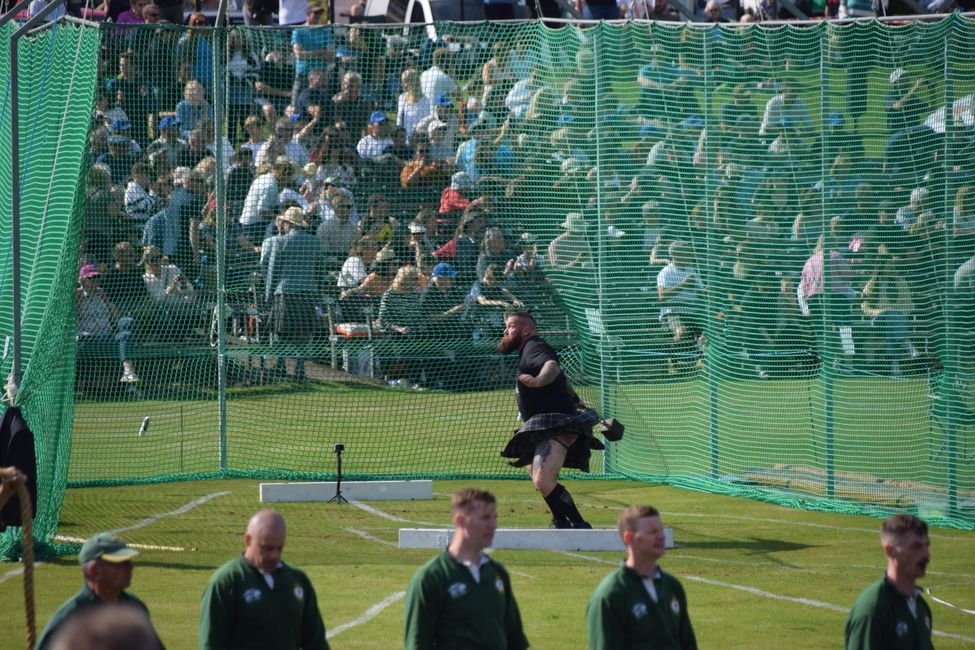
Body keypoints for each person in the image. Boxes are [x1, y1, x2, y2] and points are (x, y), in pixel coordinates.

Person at [499, 311, 617, 528]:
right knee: (535, 474)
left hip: (554, 424)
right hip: (544, 425)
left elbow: (552, 367)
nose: (505, 331)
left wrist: (538, 381)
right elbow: (561, 378)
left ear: (526, 330)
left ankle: (580, 525)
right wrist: (576, 399)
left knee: (542, 479)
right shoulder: (527, 351)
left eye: (510, 326)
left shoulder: (535, 346)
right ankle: (560, 520)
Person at [404, 488, 529, 650]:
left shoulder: (497, 573)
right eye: (485, 518)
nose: (493, 525)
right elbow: (418, 644)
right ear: (460, 520)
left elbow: (515, 638)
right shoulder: (430, 578)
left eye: (494, 517)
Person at [199, 510, 329, 650]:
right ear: (248, 540)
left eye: (279, 548)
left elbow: (316, 642)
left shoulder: (297, 580)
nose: (274, 555)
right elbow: (211, 644)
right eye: (267, 548)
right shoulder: (226, 582)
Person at [587, 505, 697, 650]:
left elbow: (688, 644)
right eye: (653, 532)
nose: (661, 536)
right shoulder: (610, 595)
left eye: (661, 530)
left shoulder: (672, 587)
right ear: (629, 538)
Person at [35, 532, 164, 650]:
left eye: (129, 561)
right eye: (120, 563)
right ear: (94, 571)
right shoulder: (71, 616)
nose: (130, 567)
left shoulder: (135, 607)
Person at [845, 514, 933, 650]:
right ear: (890, 551)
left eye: (926, 545)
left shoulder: (921, 607)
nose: (926, 555)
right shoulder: (872, 609)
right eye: (916, 547)